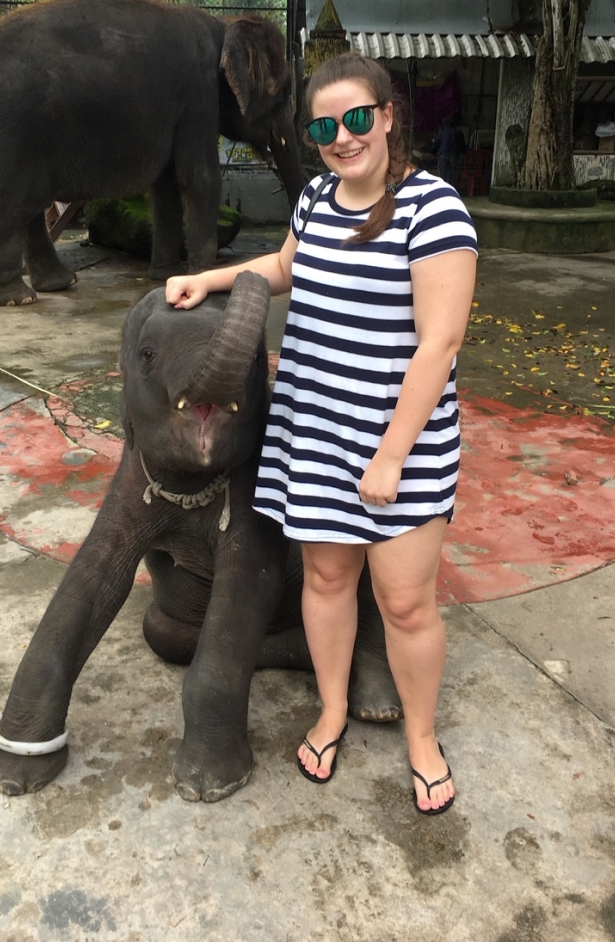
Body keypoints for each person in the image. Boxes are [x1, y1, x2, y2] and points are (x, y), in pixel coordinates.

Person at [166, 52, 477, 815]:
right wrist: (209, 278)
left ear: (388, 116)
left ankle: (422, 738)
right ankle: (332, 709)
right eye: (323, 127)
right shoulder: (314, 200)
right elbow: (284, 267)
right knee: (327, 581)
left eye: (356, 118)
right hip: (314, 432)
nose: (342, 137)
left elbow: (438, 344)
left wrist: (391, 457)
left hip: (401, 446)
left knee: (405, 604)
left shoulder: (431, 208)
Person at [431, 117, 467, 189]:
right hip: (454, 154)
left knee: (442, 174)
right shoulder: (459, 133)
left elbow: (435, 146)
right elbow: (463, 146)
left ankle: (442, 189)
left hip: (443, 154)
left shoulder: (442, 133)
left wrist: (434, 153)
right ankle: (452, 190)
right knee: (453, 174)